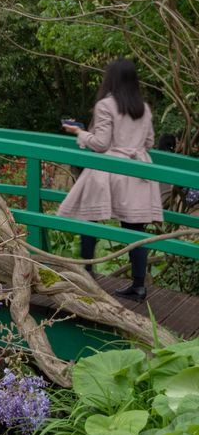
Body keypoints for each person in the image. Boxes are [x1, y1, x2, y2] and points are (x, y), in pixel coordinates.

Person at [60, 57, 162, 300]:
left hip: (110, 170)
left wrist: (80, 132)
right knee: (135, 228)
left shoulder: (105, 105)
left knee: (88, 216)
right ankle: (138, 286)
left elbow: (101, 143)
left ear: (111, 79)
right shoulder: (144, 108)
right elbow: (148, 142)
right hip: (138, 171)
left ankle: (87, 273)